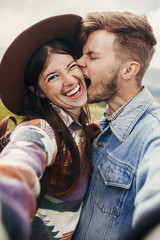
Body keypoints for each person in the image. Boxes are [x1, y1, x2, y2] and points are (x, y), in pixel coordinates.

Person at [0, 14, 92, 240]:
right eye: (53, 77)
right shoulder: (43, 128)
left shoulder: (78, 126)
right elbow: (26, 151)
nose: (70, 80)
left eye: (71, 66)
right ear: (38, 91)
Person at [72, 11, 160, 240]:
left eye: (92, 56)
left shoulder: (154, 134)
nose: (79, 63)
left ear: (129, 70)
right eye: (82, 54)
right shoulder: (104, 124)